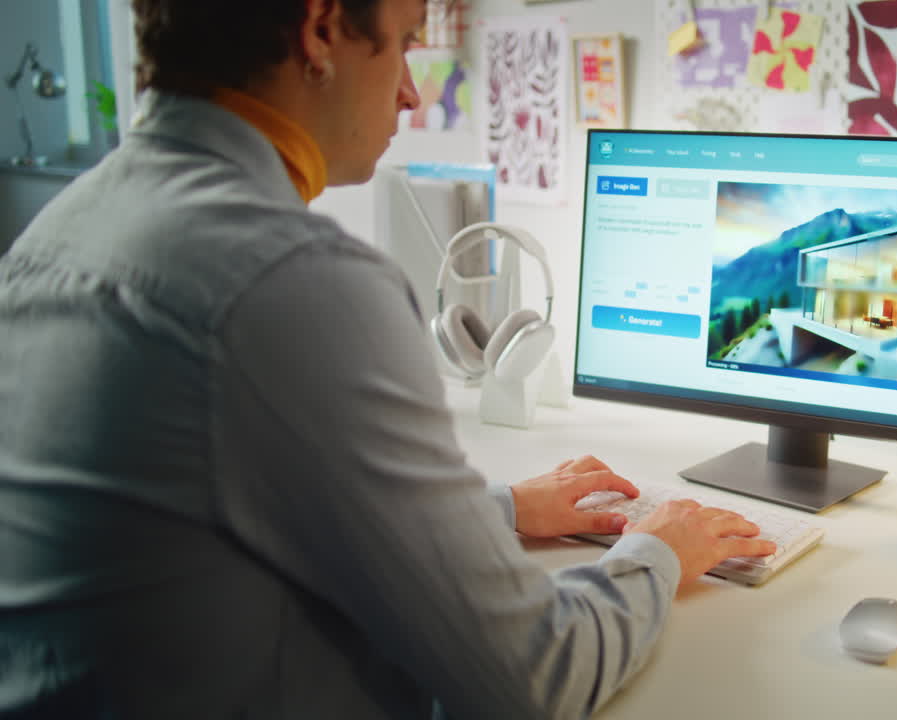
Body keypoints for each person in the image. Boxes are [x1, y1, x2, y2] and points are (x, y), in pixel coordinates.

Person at [0, 0, 775, 717]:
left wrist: (496, 510)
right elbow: (533, 678)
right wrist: (657, 552)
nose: (410, 93)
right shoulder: (292, 280)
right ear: (321, 31)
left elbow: (225, 505)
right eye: (405, 41)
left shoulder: (63, 228)